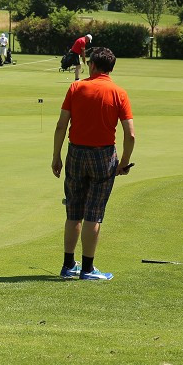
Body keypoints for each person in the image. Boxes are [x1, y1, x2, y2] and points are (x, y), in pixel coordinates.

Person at [51, 47, 135, 281]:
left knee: (73, 211)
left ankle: (68, 266)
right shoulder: (119, 92)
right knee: (94, 213)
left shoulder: (76, 87)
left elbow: (61, 125)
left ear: (94, 66)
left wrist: (56, 156)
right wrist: (124, 162)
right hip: (104, 157)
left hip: (75, 153)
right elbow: (130, 135)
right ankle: (87, 269)